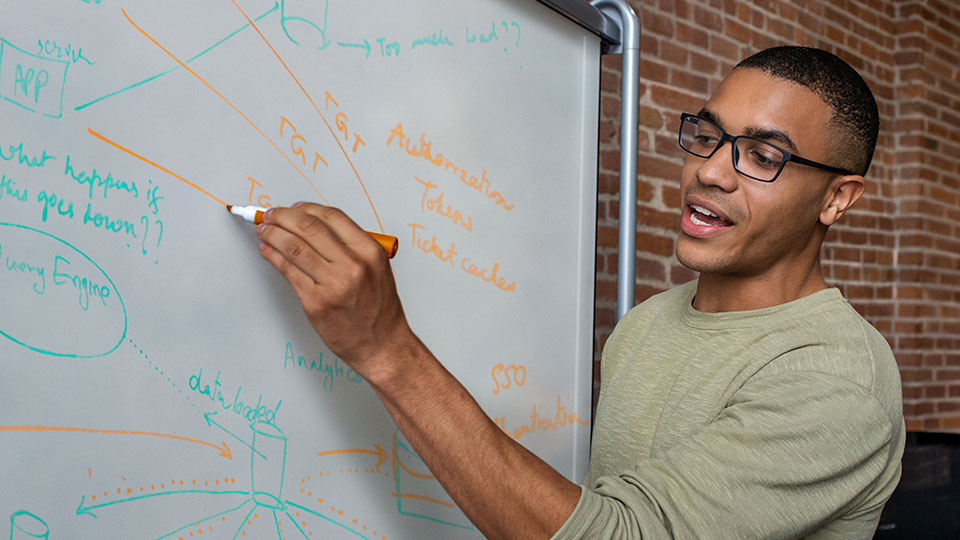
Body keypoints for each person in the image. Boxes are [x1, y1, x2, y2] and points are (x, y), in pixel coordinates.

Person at [253, 46, 904, 539]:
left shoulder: (833, 376)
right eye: (708, 137)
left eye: (763, 157)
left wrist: (387, 351)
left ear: (838, 198)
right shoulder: (645, 324)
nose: (708, 170)